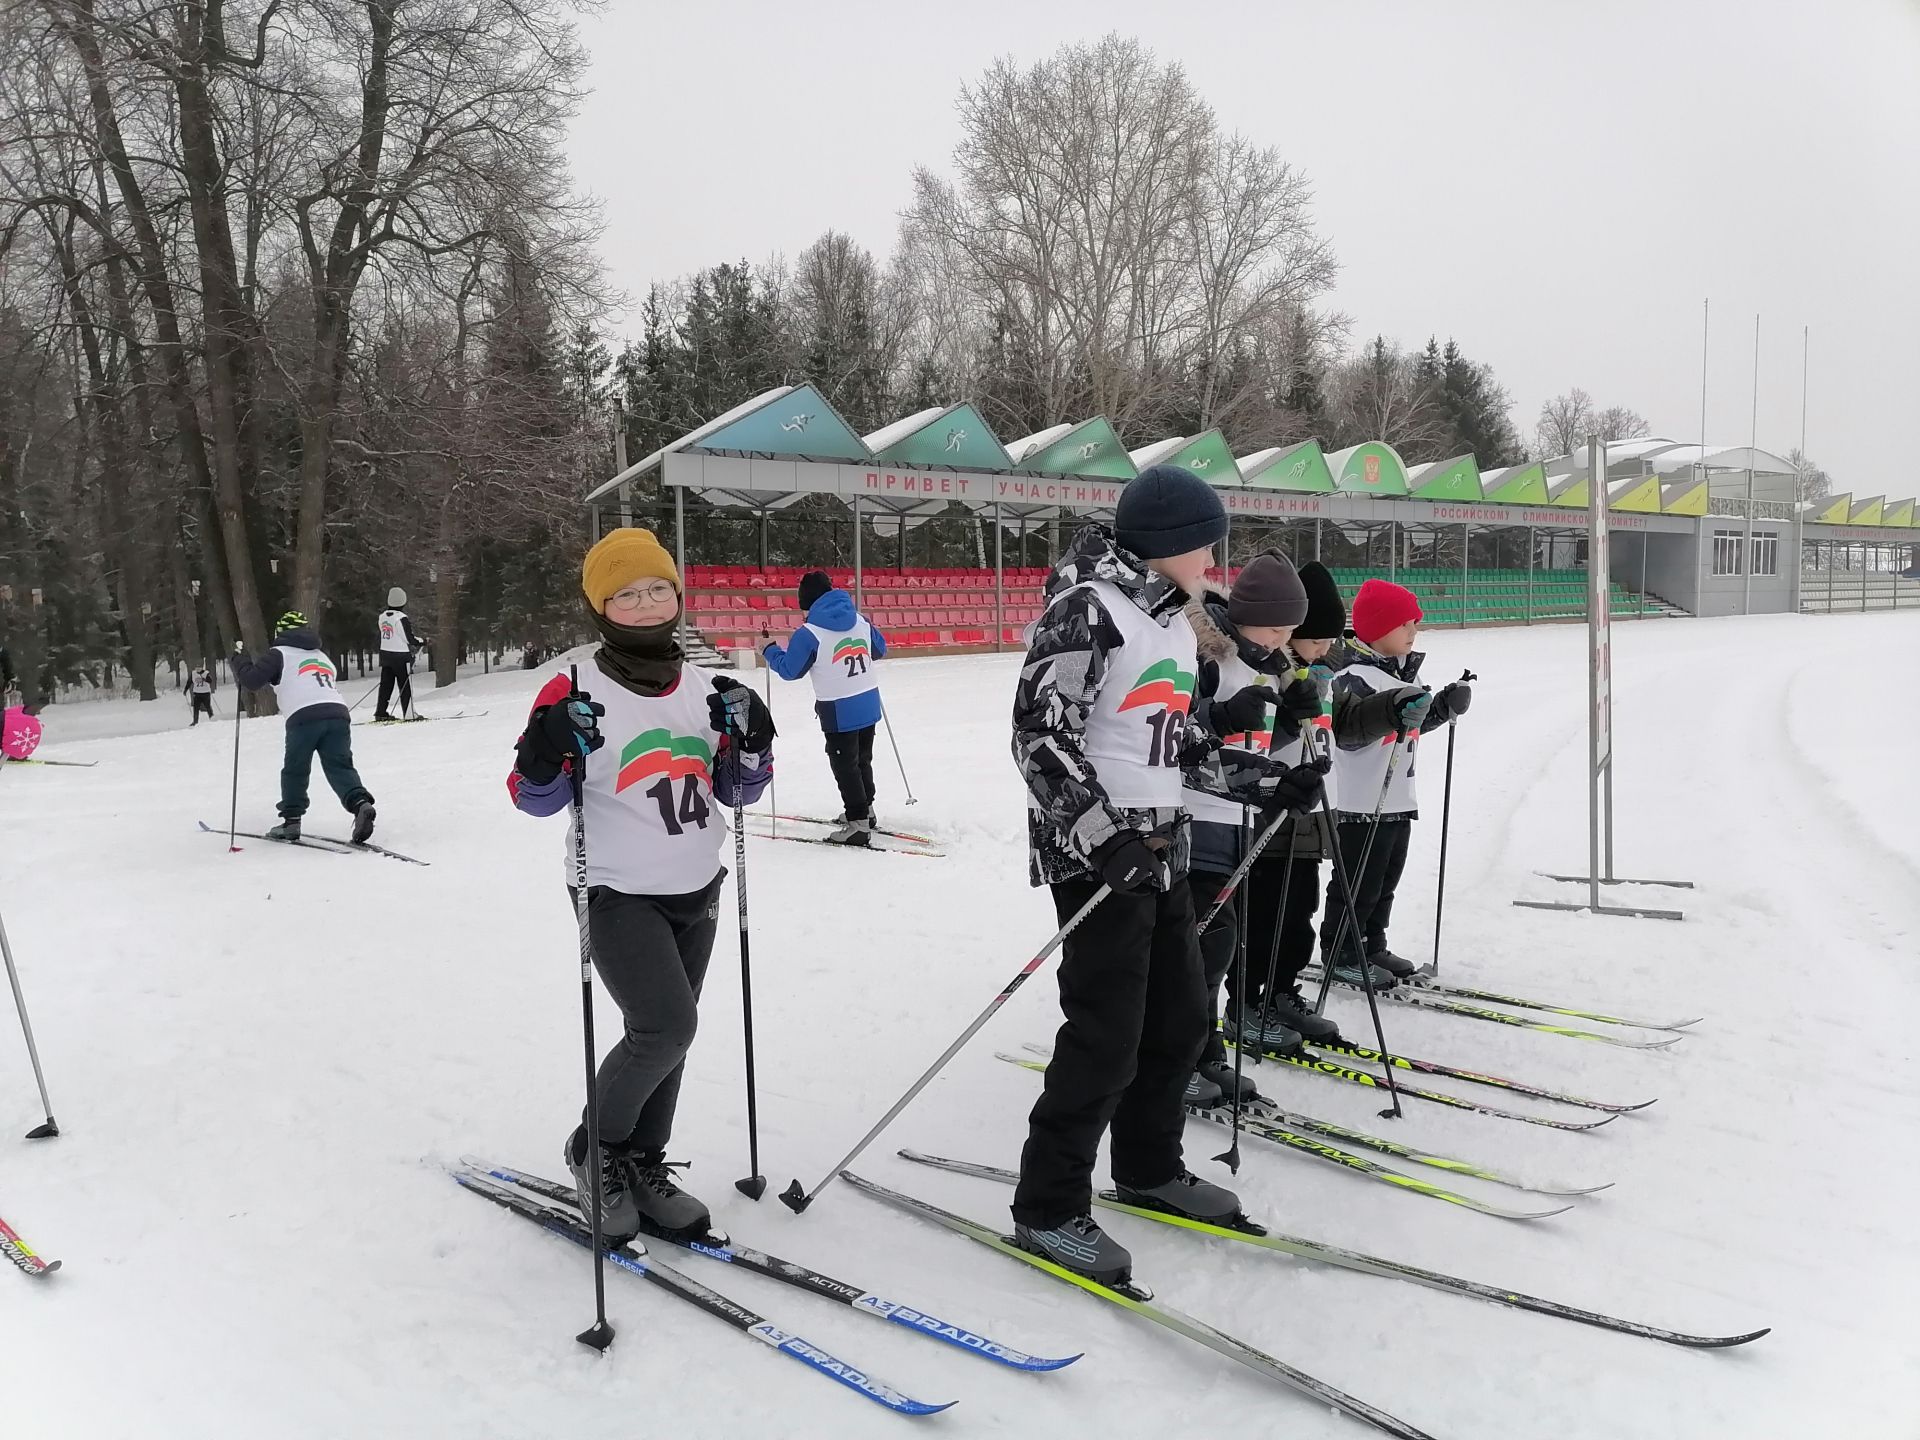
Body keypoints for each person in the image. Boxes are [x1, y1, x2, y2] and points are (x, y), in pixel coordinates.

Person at [1008, 466, 1325, 1284]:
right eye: (1207, 539)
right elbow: (1039, 739)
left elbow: (1175, 747)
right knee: (1105, 1038)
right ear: (1173, 541)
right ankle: (1047, 1209)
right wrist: (1102, 837)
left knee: (1181, 1022)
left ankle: (1148, 1167)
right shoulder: (1088, 609)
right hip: (1100, 859)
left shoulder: (1174, 624)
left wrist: (1264, 782)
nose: (1216, 556)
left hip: (1163, 851)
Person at [507, 527, 774, 1243]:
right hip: (616, 888)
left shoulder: (708, 686)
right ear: (601, 608)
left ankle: (641, 1164)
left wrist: (755, 742)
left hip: (698, 883)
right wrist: (544, 748)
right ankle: (593, 1151)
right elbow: (533, 799)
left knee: (669, 1039)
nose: (646, 602)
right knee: (666, 1026)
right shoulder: (573, 688)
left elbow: (737, 790)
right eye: (627, 594)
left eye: (657, 587)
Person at [1235, 562, 1409, 1046]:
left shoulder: (1320, 673)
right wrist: (1289, 722)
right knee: (1263, 916)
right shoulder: (1264, 672)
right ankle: (1246, 1002)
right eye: (1315, 639)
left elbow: (1343, 729)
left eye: (1330, 639)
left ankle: (1282, 992)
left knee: (1299, 914)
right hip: (1267, 815)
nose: (1325, 647)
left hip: (1308, 814)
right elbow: (1244, 741)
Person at [1181, 549, 1325, 1100]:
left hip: (1240, 823)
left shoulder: (1269, 665)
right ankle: (1187, 1058)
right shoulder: (1207, 656)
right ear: (1243, 616)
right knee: (1204, 950)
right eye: (1272, 627)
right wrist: (1220, 717)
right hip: (1195, 821)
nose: (1279, 639)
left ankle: (1205, 1050)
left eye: (1289, 630)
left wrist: (1289, 724)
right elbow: (1175, 734)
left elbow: (1261, 746)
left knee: (1222, 948)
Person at [1317, 579, 1471, 988]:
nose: (1413, 631)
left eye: (1415, 624)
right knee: (1358, 882)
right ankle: (1341, 949)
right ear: (1378, 628)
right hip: (1360, 799)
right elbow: (1348, 732)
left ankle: (1372, 942)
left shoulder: (1402, 675)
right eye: (1405, 624)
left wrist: (1440, 706)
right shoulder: (1353, 677)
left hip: (1397, 797)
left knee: (1386, 880)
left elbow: (1411, 728)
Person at [760, 570, 888, 845]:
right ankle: (867, 809)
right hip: (868, 700)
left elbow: (791, 670)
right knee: (863, 759)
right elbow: (879, 649)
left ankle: (858, 823)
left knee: (845, 765)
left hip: (839, 708)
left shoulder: (809, 632)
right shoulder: (859, 619)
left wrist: (769, 650)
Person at [230, 612, 377, 844]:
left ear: (280, 632)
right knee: (340, 766)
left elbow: (252, 681)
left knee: (295, 770)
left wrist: (239, 659)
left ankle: (291, 822)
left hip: (304, 715)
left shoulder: (280, 653)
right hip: (337, 712)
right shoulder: (322, 656)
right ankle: (360, 804)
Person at [373, 587, 422, 722]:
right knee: (404, 684)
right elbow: (408, 638)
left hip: (386, 654)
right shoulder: (401, 618)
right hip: (400, 656)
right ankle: (409, 713)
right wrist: (421, 642)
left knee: (386, 685)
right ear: (403, 601)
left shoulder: (382, 617)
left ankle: (381, 712)